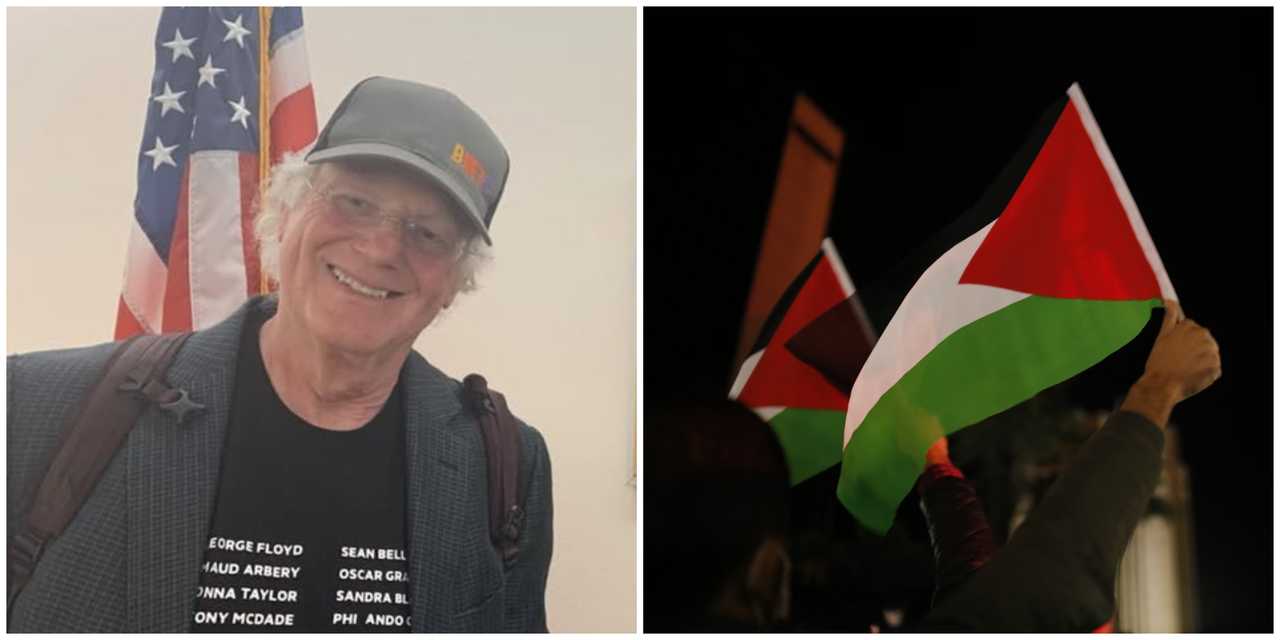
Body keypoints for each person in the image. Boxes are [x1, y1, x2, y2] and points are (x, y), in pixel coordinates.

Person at [8, 77, 552, 633]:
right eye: (355, 202)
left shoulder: (504, 462)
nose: (383, 248)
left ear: (452, 285)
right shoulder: (39, 405)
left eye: (427, 233)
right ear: (284, 212)